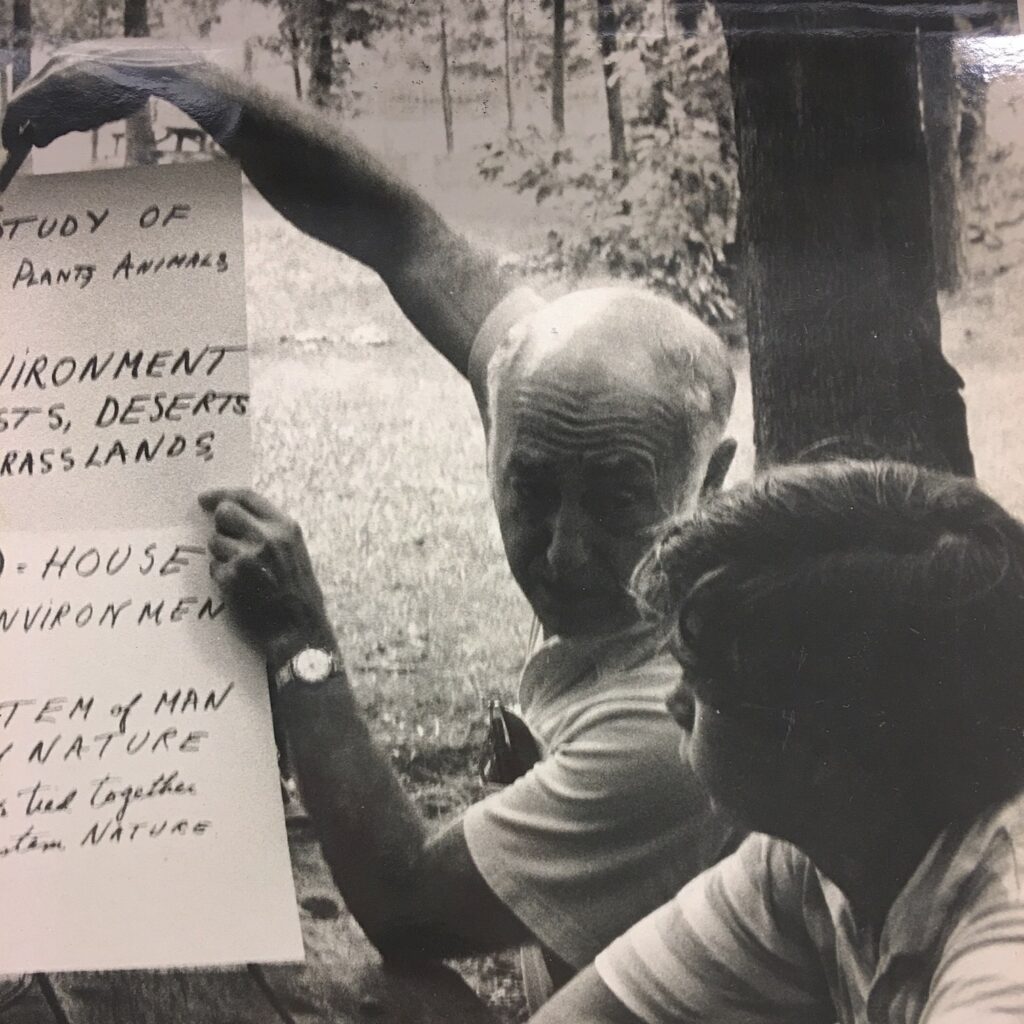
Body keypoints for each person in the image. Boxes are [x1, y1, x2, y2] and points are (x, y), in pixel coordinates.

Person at [3, 46, 742, 1006]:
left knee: (382, 992)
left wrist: (301, 640)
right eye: (529, 490)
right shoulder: (554, 407)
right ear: (503, 429)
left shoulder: (677, 722)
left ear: (714, 483)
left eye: (615, 503)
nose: (561, 550)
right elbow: (403, 234)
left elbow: (403, 902)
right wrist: (187, 82)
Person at [528, 459, 1024, 1023]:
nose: (673, 704)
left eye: (700, 681)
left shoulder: (1006, 950)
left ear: (823, 751)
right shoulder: (826, 854)